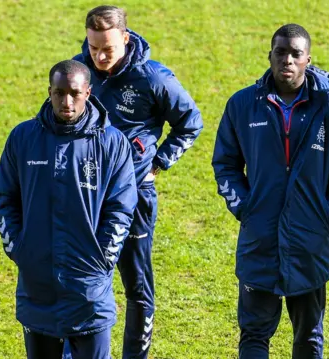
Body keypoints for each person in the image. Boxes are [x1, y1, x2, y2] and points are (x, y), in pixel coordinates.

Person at [212, 24, 329, 359]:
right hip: (259, 241)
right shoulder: (241, 105)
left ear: (309, 59)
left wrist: (328, 215)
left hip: (308, 241)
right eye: (281, 52)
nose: (288, 60)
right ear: (269, 55)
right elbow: (225, 164)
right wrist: (246, 208)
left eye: (296, 53)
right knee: (253, 336)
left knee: (309, 338)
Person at [70, 5, 203, 358]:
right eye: (93, 46)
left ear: (126, 40)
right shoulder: (79, 73)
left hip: (134, 196)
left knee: (137, 287)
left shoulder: (153, 79)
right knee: (79, 278)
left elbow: (191, 122)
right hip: (85, 193)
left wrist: (158, 162)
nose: (99, 56)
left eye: (108, 48)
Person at [0, 60, 137, 359]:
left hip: (89, 286)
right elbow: (4, 197)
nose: (66, 101)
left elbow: (121, 208)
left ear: (88, 92)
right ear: (49, 92)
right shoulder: (23, 138)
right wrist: (20, 249)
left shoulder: (111, 143)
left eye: (74, 93)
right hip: (38, 285)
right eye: (58, 93)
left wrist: (103, 258)